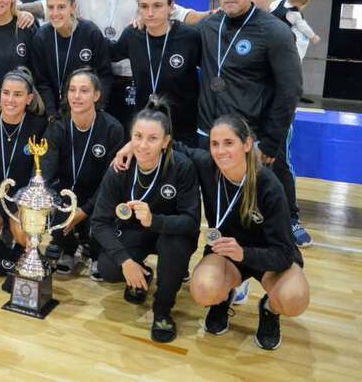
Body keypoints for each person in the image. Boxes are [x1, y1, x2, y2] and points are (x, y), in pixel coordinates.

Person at [126, 115, 308, 350]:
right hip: (225, 255)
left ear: (247, 144)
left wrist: (244, 253)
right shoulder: (207, 165)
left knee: (294, 299)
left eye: (228, 143)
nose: (220, 151)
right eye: (214, 144)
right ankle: (223, 297)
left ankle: (269, 310)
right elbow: (169, 143)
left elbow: (284, 253)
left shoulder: (269, 186)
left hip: (268, 259)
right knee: (203, 289)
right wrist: (131, 146)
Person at [20, 0, 203, 131]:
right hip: (97, 81)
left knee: (130, 135)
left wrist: (215, 14)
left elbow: (184, 14)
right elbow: (49, 6)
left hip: (132, 82)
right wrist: (17, 10)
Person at [198, 0, 308, 247]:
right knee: (220, 205)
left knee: (259, 211)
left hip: (253, 140)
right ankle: (224, 261)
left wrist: (270, 143)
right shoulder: (209, 26)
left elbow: (290, 90)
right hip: (214, 138)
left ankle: (265, 263)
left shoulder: (275, 31)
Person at [91, 99, 200, 343]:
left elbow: (191, 222)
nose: (142, 145)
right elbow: (99, 222)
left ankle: (162, 310)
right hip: (134, 233)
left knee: (174, 251)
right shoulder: (121, 166)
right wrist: (126, 261)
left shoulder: (181, 167)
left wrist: (155, 220)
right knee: (109, 267)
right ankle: (141, 275)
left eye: (152, 138)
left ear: (166, 142)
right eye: (138, 136)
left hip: (169, 232)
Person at [41, 68, 124, 275]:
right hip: (65, 196)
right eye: (72, 90)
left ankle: (94, 250)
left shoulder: (113, 129)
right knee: (54, 214)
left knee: (100, 223)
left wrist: (85, 211)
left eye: (84, 91)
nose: (76, 96)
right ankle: (68, 248)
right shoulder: (57, 127)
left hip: (99, 197)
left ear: (97, 95)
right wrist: (56, 205)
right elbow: (47, 175)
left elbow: (111, 181)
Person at [0, 67, 48, 277]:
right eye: (6, 93)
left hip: (20, 198)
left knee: (26, 236)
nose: (10, 100)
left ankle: (19, 248)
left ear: (29, 98)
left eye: (18, 94)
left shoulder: (39, 126)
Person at [110, 0, 202, 145]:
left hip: (182, 129)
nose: (150, 13)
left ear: (171, 6)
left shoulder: (190, 37)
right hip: (146, 129)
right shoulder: (133, 35)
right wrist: (76, 23)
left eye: (157, 6)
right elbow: (109, 52)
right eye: (144, 7)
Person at [31, 0, 113, 119]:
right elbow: (41, 82)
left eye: (61, 7)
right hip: (54, 113)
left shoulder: (90, 32)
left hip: (88, 112)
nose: (55, 13)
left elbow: (104, 75)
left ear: (73, 7)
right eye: (51, 7)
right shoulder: (41, 37)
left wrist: (98, 108)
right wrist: (51, 113)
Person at [253, 0, 320, 61]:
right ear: (302, 4)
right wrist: (314, 37)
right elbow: (304, 28)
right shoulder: (295, 14)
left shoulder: (278, 4)